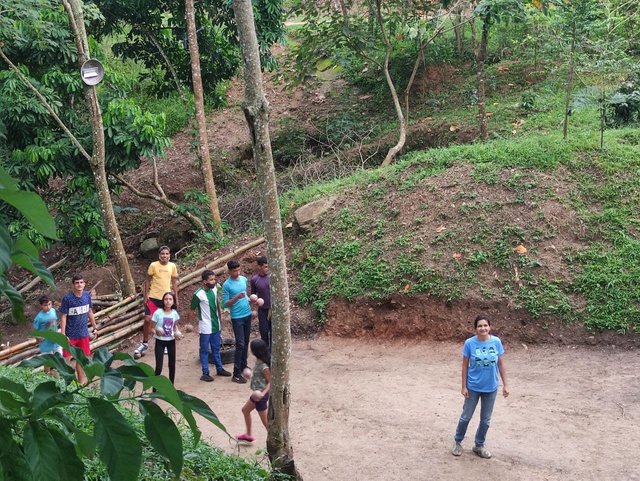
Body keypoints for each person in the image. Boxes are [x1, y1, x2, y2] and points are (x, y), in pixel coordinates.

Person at [452, 314, 509, 459]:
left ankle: (479, 445)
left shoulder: (496, 342)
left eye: (485, 325)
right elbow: (465, 365)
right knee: (466, 417)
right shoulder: (470, 343)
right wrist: (463, 386)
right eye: (480, 326)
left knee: (486, 420)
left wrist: (505, 385)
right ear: (475, 329)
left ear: (489, 327)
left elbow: (501, 364)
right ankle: (458, 442)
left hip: (491, 387)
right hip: (473, 387)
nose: (483, 328)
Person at [135, 245, 179, 359]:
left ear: (169, 255)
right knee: (148, 319)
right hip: (153, 297)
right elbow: (147, 281)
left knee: (164, 321)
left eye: (167, 254)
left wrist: (176, 299)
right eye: (162, 254)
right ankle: (144, 343)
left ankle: (164, 344)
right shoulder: (153, 265)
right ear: (159, 255)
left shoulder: (172, 266)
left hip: (166, 299)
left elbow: (174, 283)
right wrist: (145, 297)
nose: (165, 256)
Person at [191, 269, 232, 382]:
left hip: (216, 324)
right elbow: (192, 309)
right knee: (204, 350)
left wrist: (220, 319)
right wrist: (196, 322)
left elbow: (217, 304)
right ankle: (205, 373)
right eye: (211, 280)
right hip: (205, 326)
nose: (214, 281)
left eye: (214, 279)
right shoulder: (198, 294)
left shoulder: (214, 290)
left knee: (216, 348)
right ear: (205, 281)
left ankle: (219, 369)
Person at [59, 274, 98, 384]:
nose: (79, 284)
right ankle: (66, 383)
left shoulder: (87, 296)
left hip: (83, 333)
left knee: (81, 359)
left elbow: (90, 312)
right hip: (70, 334)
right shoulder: (67, 299)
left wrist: (95, 327)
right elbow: (63, 316)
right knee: (66, 359)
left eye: (81, 282)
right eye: (77, 283)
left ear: (84, 284)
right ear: (73, 284)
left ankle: (81, 383)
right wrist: (63, 333)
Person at [222, 259, 252, 384]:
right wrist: (236, 297)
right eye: (234, 271)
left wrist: (249, 299)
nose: (237, 272)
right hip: (237, 317)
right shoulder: (226, 285)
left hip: (247, 314)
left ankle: (244, 366)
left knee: (245, 342)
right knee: (239, 344)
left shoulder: (244, 280)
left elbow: (245, 295)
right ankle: (236, 373)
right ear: (229, 271)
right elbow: (226, 303)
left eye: (239, 270)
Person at [236, 339, 271, 442]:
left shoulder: (264, 366)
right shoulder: (259, 362)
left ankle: (276, 442)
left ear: (254, 351)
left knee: (266, 423)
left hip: (261, 397)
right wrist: (250, 376)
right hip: (256, 395)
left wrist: (262, 394)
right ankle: (248, 435)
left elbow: (270, 382)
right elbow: (260, 379)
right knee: (245, 410)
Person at [152, 292, 181, 384]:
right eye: (166, 299)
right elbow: (151, 328)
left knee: (172, 365)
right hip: (160, 342)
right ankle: (155, 388)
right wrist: (156, 331)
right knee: (159, 366)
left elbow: (175, 326)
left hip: (171, 341)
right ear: (163, 301)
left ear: (173, 301)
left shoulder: (174, 314)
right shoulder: (157, 313)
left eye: (170, 299)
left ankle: (171, 386)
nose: (168, 301)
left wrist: (177, 333)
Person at [33, 295, 62, 373]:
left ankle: (58, 374)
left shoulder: (53, 311)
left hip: (55, 340)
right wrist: (38, 339)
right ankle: (47, 375)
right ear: (41, 305)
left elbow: (55, 323)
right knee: (47, 361)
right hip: (45, 343)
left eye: (49, 304)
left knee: (59, 357)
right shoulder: (39, 318)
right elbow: (35, 331)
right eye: (45, 305)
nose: (48, 307)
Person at [250, 256, 271, 350]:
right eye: (265, 266)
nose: (267, 268)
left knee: (274, 332)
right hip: (262, 310)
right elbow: (253, 294)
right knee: (264, 331)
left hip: (273, 310)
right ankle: (266, 353)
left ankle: (273, 353)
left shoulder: (272, 278)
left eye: (268, 266)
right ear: (259, 267)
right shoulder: (254, 280)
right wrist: (255, 301)